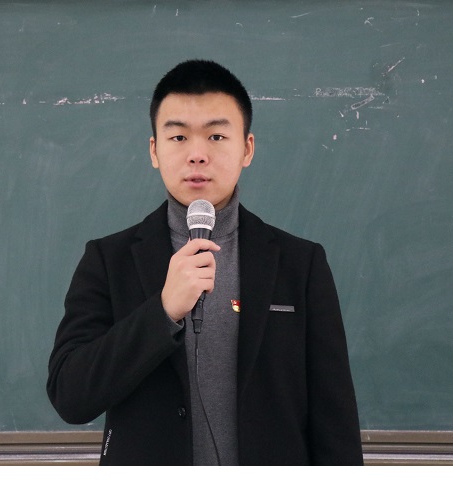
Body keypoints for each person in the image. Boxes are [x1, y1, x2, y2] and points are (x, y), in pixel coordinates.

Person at [47, 60, 363, 465]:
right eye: (178, 137)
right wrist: (162, 312)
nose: (197, 155)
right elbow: (70, 396)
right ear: (154, 150)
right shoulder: (109, 260)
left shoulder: (301, 264)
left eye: (216, 136)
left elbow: (335, 416)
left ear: (247, 148)